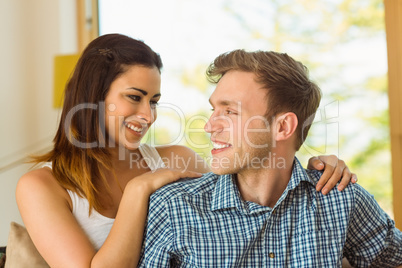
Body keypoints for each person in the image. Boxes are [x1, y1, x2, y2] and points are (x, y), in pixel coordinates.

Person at [16, 34, 354, 267]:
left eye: (155, 101)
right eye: (134, 97)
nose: (148, 115)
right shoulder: (41, 187)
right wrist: (140, 188)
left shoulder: (176, 157)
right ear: (93, 96)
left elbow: (253, 172)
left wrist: (316, 164)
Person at [138, 49, 402, 267]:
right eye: (213, 109)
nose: (209, 126)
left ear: (283, 127)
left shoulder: (341, 200)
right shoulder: (173, 208)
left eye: (229, 112)